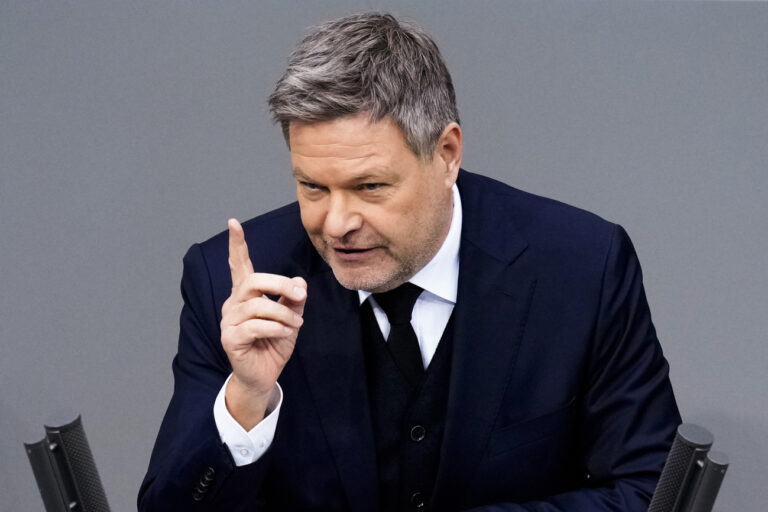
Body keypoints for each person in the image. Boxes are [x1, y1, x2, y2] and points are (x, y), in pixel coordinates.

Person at [138, 12, 680, 511]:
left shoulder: (583, 267)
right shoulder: (231, 283)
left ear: (446, 155)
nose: (336, 223)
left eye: (370, 186)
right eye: (313, 187)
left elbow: (653, 490)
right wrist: (246, 401)